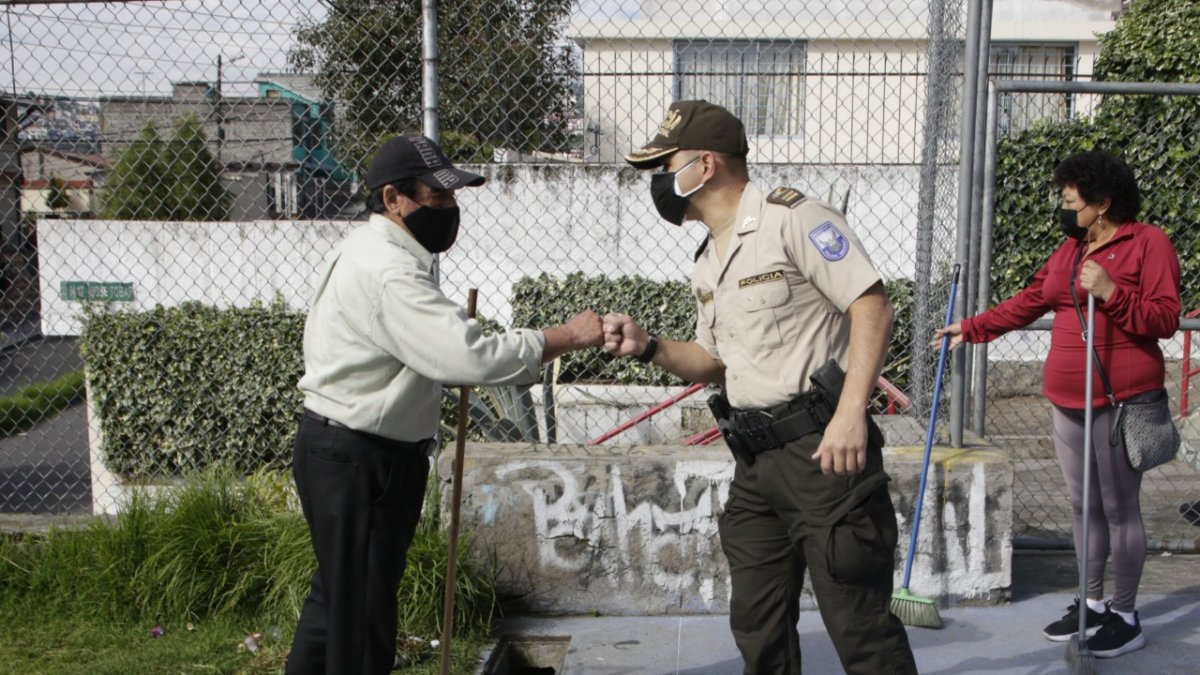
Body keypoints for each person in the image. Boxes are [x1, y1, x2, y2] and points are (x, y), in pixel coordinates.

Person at [603, 100, 917, 675]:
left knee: (859, 626)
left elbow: (873, 306)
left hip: (823, 454)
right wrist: (648, 346)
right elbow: (713, 361)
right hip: (755, 462)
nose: (658, 182)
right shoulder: (707, 259)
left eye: (664, 165)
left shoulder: (792, 218)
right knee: (757, 620)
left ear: (705, 164)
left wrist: (852, 412)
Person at [286, 134, 604, 675]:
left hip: (344, 450)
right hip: (362, 460)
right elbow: (469, 357)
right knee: (360, 623)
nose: (451, 209)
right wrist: (566, 336)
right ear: (393, 199)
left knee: (337, 605)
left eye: (453, 198)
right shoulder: (387, 270)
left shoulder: (371, 252)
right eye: (437, 198)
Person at [936, 149, 1181, 659]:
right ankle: (1091, 602)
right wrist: (973, 328)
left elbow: (1164, 319)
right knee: (1081, 505)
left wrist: (1112, 291)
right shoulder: (1071, 249)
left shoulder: (1147, 243)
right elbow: (1032, 300)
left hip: (1119, 401)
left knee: (1117, 508)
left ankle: (1127, 614)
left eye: (1071, 200)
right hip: (1066, 401)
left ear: (1102, 202)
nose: (1064, 208)